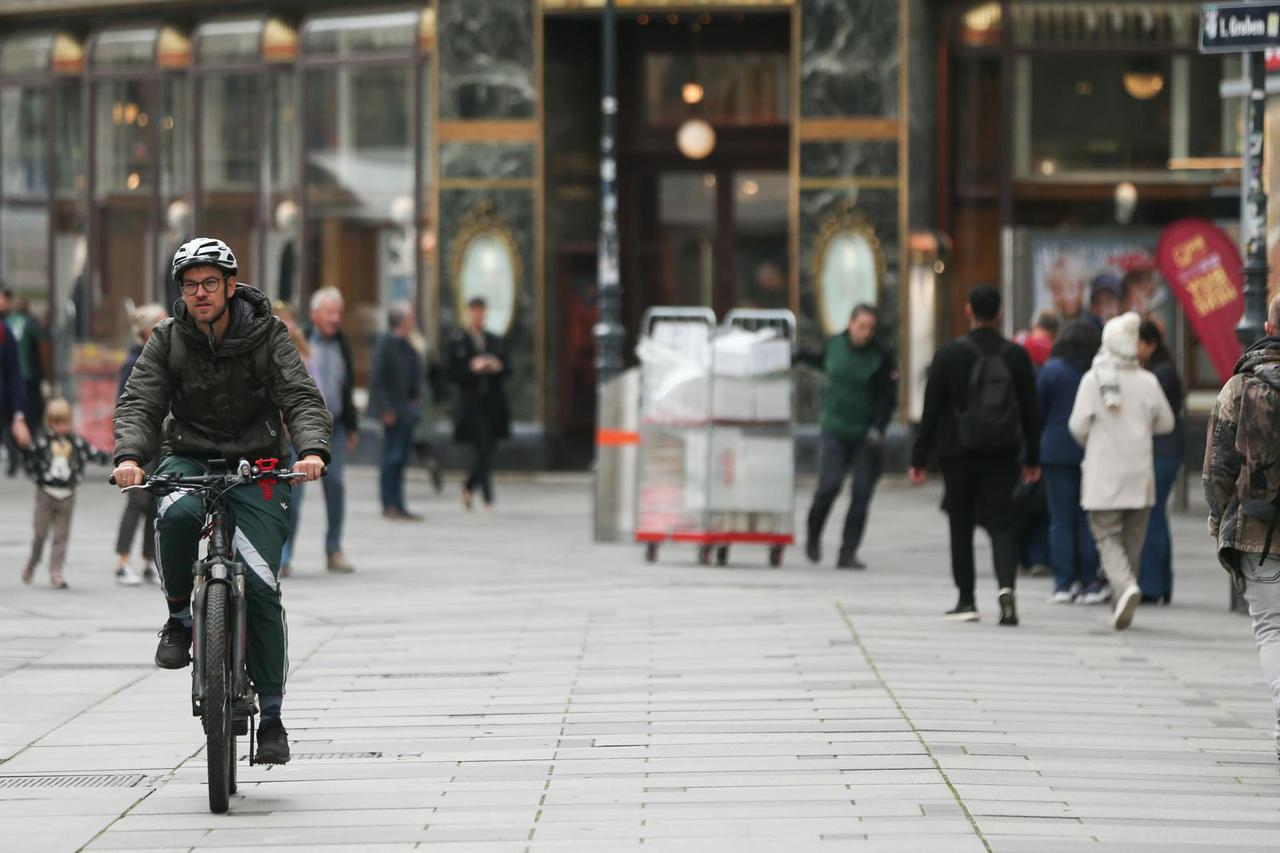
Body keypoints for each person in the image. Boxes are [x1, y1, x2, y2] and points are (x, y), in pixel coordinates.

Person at [112, 236, 331, 765]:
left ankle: (273, 717)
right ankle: (179, 619)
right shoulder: (167, 339)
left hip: (258, 462)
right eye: (190, 286)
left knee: (258, 581)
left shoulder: (268, 334)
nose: (201, 294)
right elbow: (141, 401)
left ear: (232, 286)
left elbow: (299, 395)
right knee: (177, 514)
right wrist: (130, 456)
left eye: (211, 283)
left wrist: (311, 450)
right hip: (187, 455)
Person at [910, 285, 1040, 626]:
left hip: (958, 453)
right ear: (999, 314)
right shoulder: (1016, 356)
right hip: (1002, 453)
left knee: (961, 524)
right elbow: (1030, 411)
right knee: (1003, 523)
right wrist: (1033, 459)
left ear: (969, 311)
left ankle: (966, 599)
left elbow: (932, 409)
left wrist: (919, 458)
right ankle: (1006, 588)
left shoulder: (949, 354)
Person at [1206, 294, 1280, 769]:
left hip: (1259, 527)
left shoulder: (1242, 385)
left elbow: (1218, 467)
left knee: (1272, 628)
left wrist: (1219, 518)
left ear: (1269, 325)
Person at [1068, 312, 1174, 632]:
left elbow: (1076, 426)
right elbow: (1167, 423)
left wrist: (1096, 438)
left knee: (1106, 535)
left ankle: (1124, 586)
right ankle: (1122, 597)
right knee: (1132, 541)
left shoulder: (1093, 379)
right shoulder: (1148, 381)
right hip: (1139, 473)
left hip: (1104, 474)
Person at [800, 304, 897, 569]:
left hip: (865, 434)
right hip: (834, 429)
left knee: (861, 493)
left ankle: (848, 551)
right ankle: (813, 533)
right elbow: (813, 358)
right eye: (862, 326)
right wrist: (790, 355)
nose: (866, 333)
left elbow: (887, 397)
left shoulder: (880, 356)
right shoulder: (834, 346)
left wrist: (879, 426)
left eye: (871, 328)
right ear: (851, 323)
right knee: (829, 485)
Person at [1037, 319, 1106, 605]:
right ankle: (1090, 580)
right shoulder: (1097, 372)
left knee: (1060, 517)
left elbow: (1038, 409)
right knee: (1087, 517)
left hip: (1055, 450)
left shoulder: (1051, 371)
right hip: (1091, 450)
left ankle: (1062, 583)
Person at [298, 286, 357, 574]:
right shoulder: (301, 340)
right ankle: (283, 555)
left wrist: (353, 425)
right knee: (293, 493)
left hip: (337, 427)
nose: (335, 318)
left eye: (339, 313)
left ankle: (334, 549)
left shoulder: (342, 343)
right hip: (300, 429)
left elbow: (346, 388)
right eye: (330, 312)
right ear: (315, 314)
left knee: (336, 488)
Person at [20, 399, 109, 589]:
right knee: (40, 534)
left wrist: (114, 456)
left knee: (61, 536)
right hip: (46, 492)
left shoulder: (76, 442)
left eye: (65, 423)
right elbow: (30, 462)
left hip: (67, 494)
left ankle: (56, 571)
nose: (62, 427)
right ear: (49, 423)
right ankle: (33, 562)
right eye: (57, 423)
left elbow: (93, 453)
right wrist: (27, 455)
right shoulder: (42, 441)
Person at [113, 303, 168, 587]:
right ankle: (123, 561)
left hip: (162, 441)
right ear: (146, 331)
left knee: (156, 501)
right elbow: (124, 408)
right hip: (141, 441)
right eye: (159, 323)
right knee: (137, 500)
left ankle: (149, 561)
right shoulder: (134, 362)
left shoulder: (163, 358)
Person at [448, 297, 510, 510]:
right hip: (471, 405)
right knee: (482, 448)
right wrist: (471, 368)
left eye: (482, 312)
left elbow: (507, 368)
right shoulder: (459, 340)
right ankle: (488, 498)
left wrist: (495, 366)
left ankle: (468, 488)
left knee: (488, 449)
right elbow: (452, 372)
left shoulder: (493, 339)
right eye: (475, 311)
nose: (479, 316)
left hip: (492, 404)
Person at [1137, 320, 1183, 604]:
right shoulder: (1161, 369)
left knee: (1152, 515)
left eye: (1139, 343)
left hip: (1161, 451)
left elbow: (1154, 414)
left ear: (1151, 343)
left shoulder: (1160, 374)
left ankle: (1153, 584)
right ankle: (1160, 582)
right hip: (1165, 451)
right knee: (1156, 515)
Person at [369, 301, 424, 521]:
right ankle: (388, 503)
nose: (413, 320)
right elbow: (378, 379)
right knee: (391, 457)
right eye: (410, 316)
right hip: (393, 410)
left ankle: (399, 502)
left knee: (401, 458)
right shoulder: (386, 343)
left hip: (406, 410)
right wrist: (385, 408)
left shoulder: (408, 343)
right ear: (402, 319)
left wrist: (415, 399)